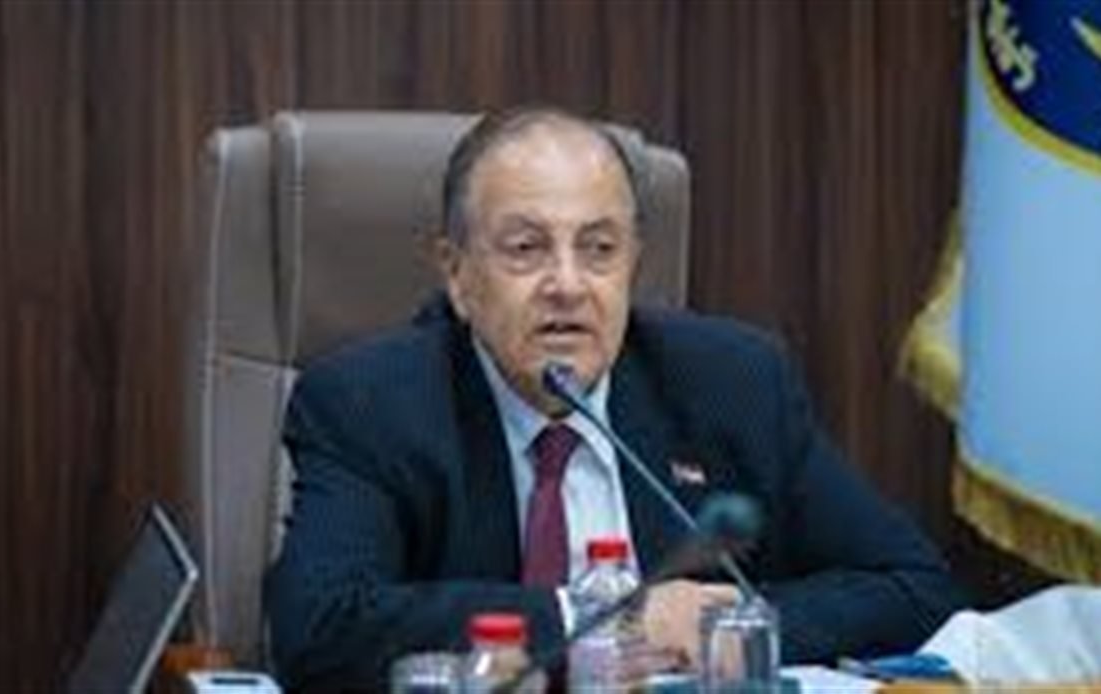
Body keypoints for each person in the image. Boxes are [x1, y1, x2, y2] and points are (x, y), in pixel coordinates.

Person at [264, 107, 966, 688]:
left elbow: (916, 587)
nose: (567, 285)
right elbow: (318, 629)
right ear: (457, 275)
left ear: (633, 263)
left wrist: (723, 625)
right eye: (526, 249)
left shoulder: (733, 383)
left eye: (599, 249)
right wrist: (605, 621)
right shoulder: (370, 405)